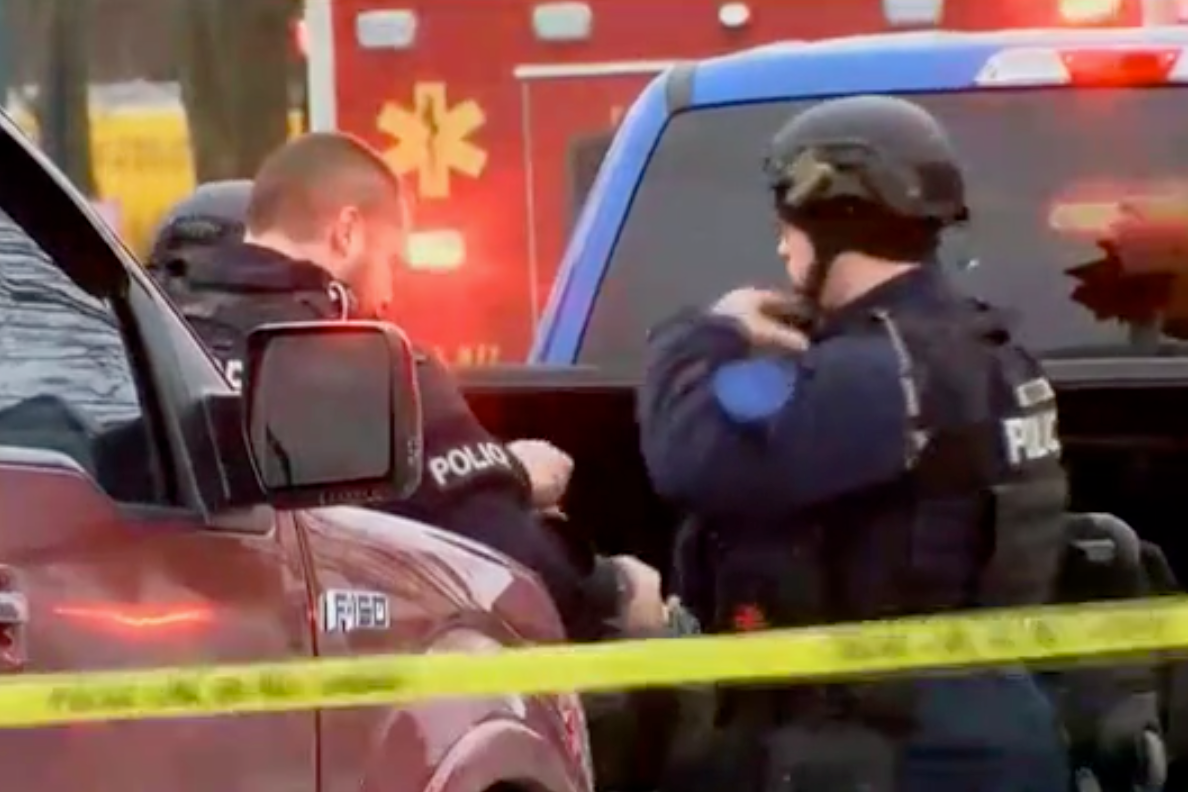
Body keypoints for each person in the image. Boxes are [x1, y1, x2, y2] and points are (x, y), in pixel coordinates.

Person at [638, 95, 1072, 792]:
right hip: (986, 719)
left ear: (837, 217)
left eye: (789, 228)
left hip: (890, 749)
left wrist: (706, 335)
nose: (782, 248)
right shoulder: (988, 351)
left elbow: (686, 452)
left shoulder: (875, 375)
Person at [149, 133, 666, 644]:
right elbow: (510, 561)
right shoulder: (368, 363)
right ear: (346, 232)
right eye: (391, 262)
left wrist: (501, 469)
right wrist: (611, 590)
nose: (391, 293)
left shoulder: (140, 335)